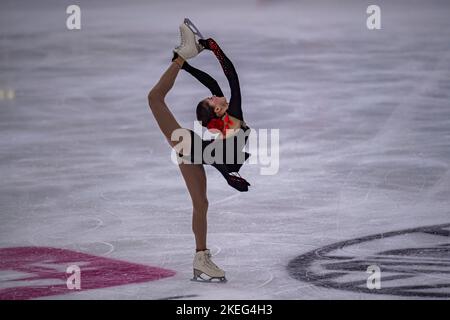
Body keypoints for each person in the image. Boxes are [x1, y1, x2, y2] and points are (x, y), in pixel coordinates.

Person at [147, 22, 251, 282]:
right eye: (211, 99)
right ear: (216, 110)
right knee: (154, 98)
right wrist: (211, 49)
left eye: (211, 97)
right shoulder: (232, 115)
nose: (214, 96)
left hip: (196, 150)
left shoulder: (228, 119)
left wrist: (193, 61)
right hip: (191, 147)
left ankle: (200, 259)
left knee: (201, 204)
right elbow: (231, 77)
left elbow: (214, 82)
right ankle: (181, 54)